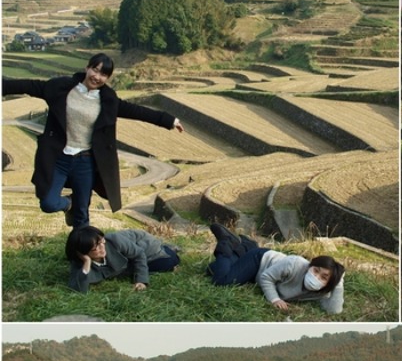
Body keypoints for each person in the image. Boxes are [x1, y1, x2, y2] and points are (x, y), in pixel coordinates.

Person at [1, 53, 185, 228]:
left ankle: (81, 255)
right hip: (59, 158)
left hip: (86, 161)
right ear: (87, 68)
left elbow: (137, 111)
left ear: (108, 78)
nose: (97, 77)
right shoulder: (61, 87)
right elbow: (28, 85)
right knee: (48, 203)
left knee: (82, 217)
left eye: (104, 74)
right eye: (95, 70)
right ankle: (68, 204)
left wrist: (169, 120)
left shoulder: (108, 100)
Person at [207, 223, 345, 314]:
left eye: (324, 277)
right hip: (259, 261)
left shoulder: (321, 291)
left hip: (260, 271)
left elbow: (334, 310)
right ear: (310, 266)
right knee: (221, 280)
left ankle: (244, 246)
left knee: (212, 269)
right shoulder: (294, 264)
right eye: (316, 270)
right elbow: (266, 277)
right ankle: (226, 242)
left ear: (329, 283)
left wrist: (339, 282)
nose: (316, 277)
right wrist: (275, 299)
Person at [65, 225, 180, 293]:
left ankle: (167, 248)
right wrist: (87, 263)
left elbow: (138, 254)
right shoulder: (80, 262)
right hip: (129, 258)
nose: (102, 247)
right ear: (83, 252)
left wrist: (140, 281)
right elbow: (77, 288)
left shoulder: (114, 241)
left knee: (170, 262)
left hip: (141, 244)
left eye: (102, 241)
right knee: (137, 267)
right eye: (97, 246)